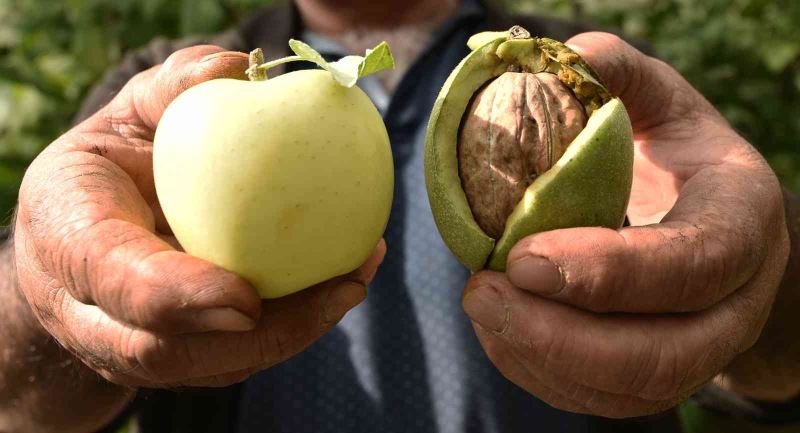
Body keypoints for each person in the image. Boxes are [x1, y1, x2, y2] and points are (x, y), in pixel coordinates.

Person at [1, 0, 799, 432]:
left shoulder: (598, 82)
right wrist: (44, 298)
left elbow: (780, 357)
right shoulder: (166, 97)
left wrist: (763, 272)